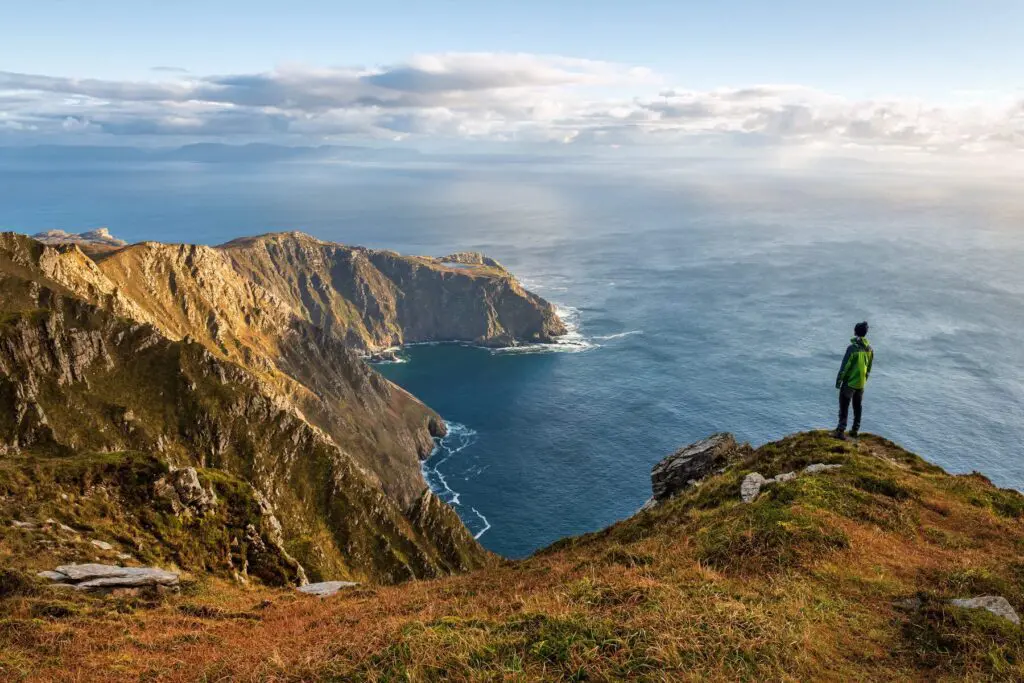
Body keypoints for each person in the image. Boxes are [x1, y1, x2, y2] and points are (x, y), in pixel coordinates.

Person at [834, 321, 873, 440]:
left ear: (855, 332)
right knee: (857, 407)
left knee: (844, 406)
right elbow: (869, 367)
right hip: (861, 383)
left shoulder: (852, 348)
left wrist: (839, 381)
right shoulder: (870, 349)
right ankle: (855, 430)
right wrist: (864, 380)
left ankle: (840, 431)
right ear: (865, 333)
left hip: (849, 382)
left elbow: (845, 366)